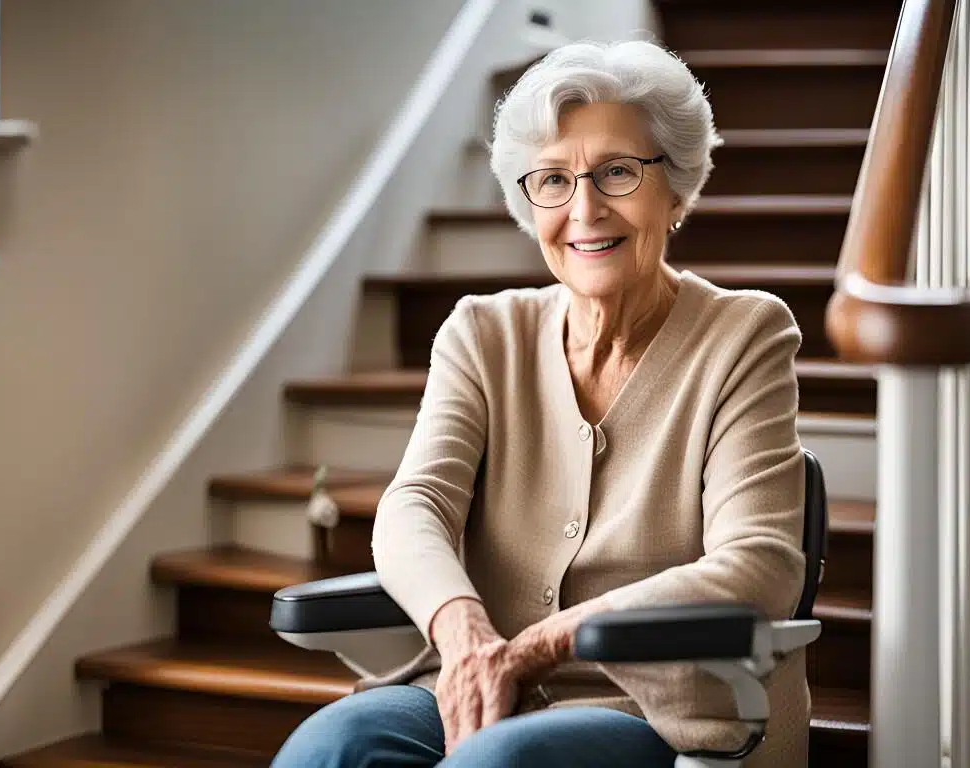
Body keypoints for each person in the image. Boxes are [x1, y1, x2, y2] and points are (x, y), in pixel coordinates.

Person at [271, 39, 809, 767]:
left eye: (617, 172)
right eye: (551, 179)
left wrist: (547, 642)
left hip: (657, 715)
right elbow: (415, 506)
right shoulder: (483, 333)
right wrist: (463, 633)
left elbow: (761, 565)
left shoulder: (744, 335)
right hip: (476, 686)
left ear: (675, 189)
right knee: (332, 746)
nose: (584, 208)